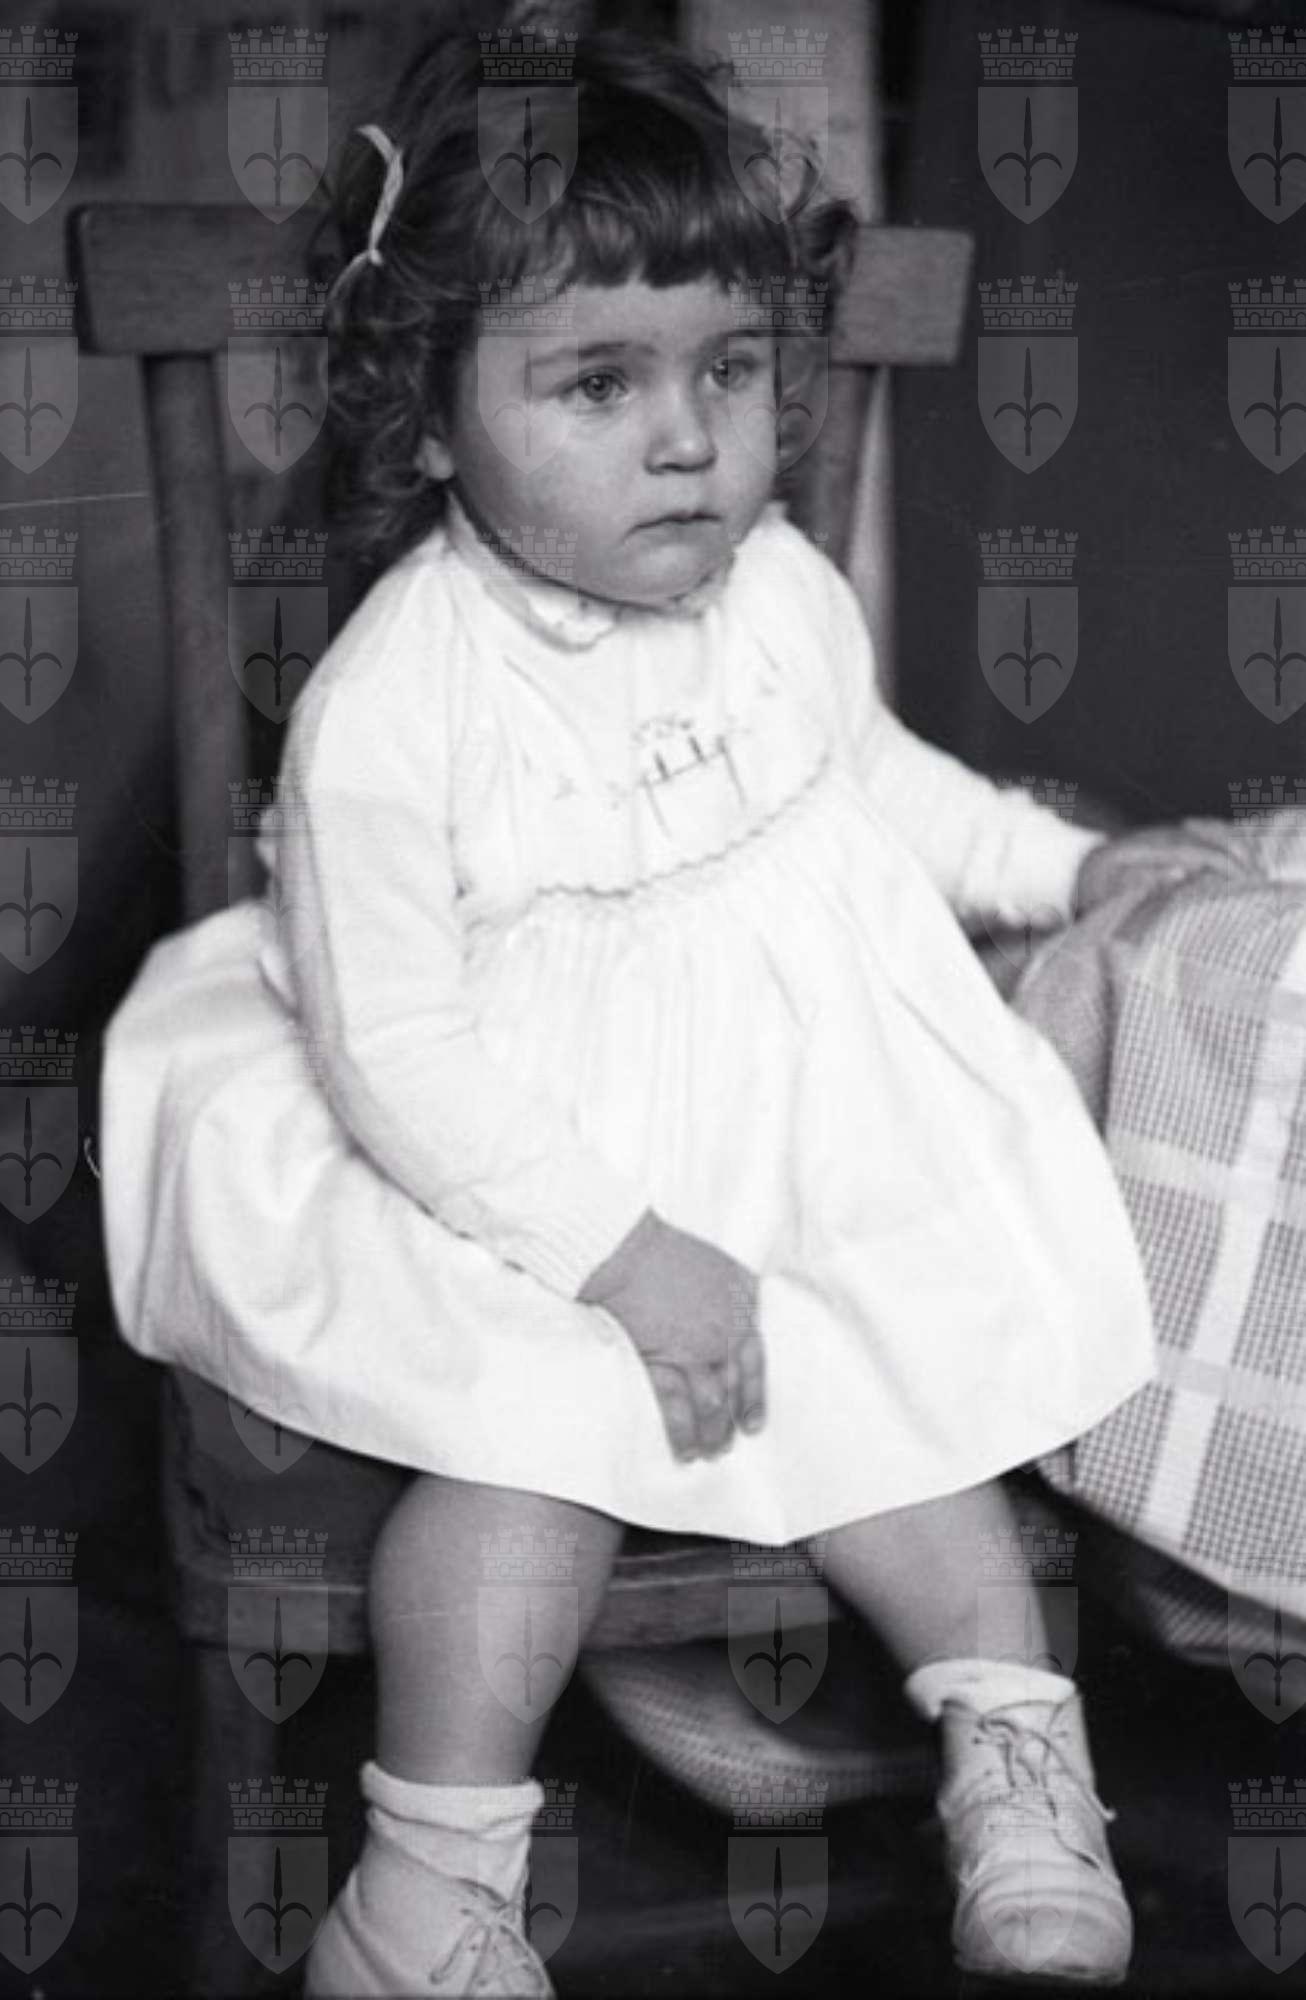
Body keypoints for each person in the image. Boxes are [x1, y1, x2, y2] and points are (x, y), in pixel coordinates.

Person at [101, 25, 1156, 1996]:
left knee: (900, 1375)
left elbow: (868, 786)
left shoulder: (775, 592)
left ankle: (1013, 1744)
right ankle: (426, 1881)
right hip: (525, 1164)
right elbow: (396, 1051)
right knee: (533, 1443)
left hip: (789, 1113)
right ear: (428, 416)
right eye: (597, 382)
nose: (686, 438)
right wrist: (616, 1249)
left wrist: (1061, 867)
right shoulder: (397, 700)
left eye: (727, 370)